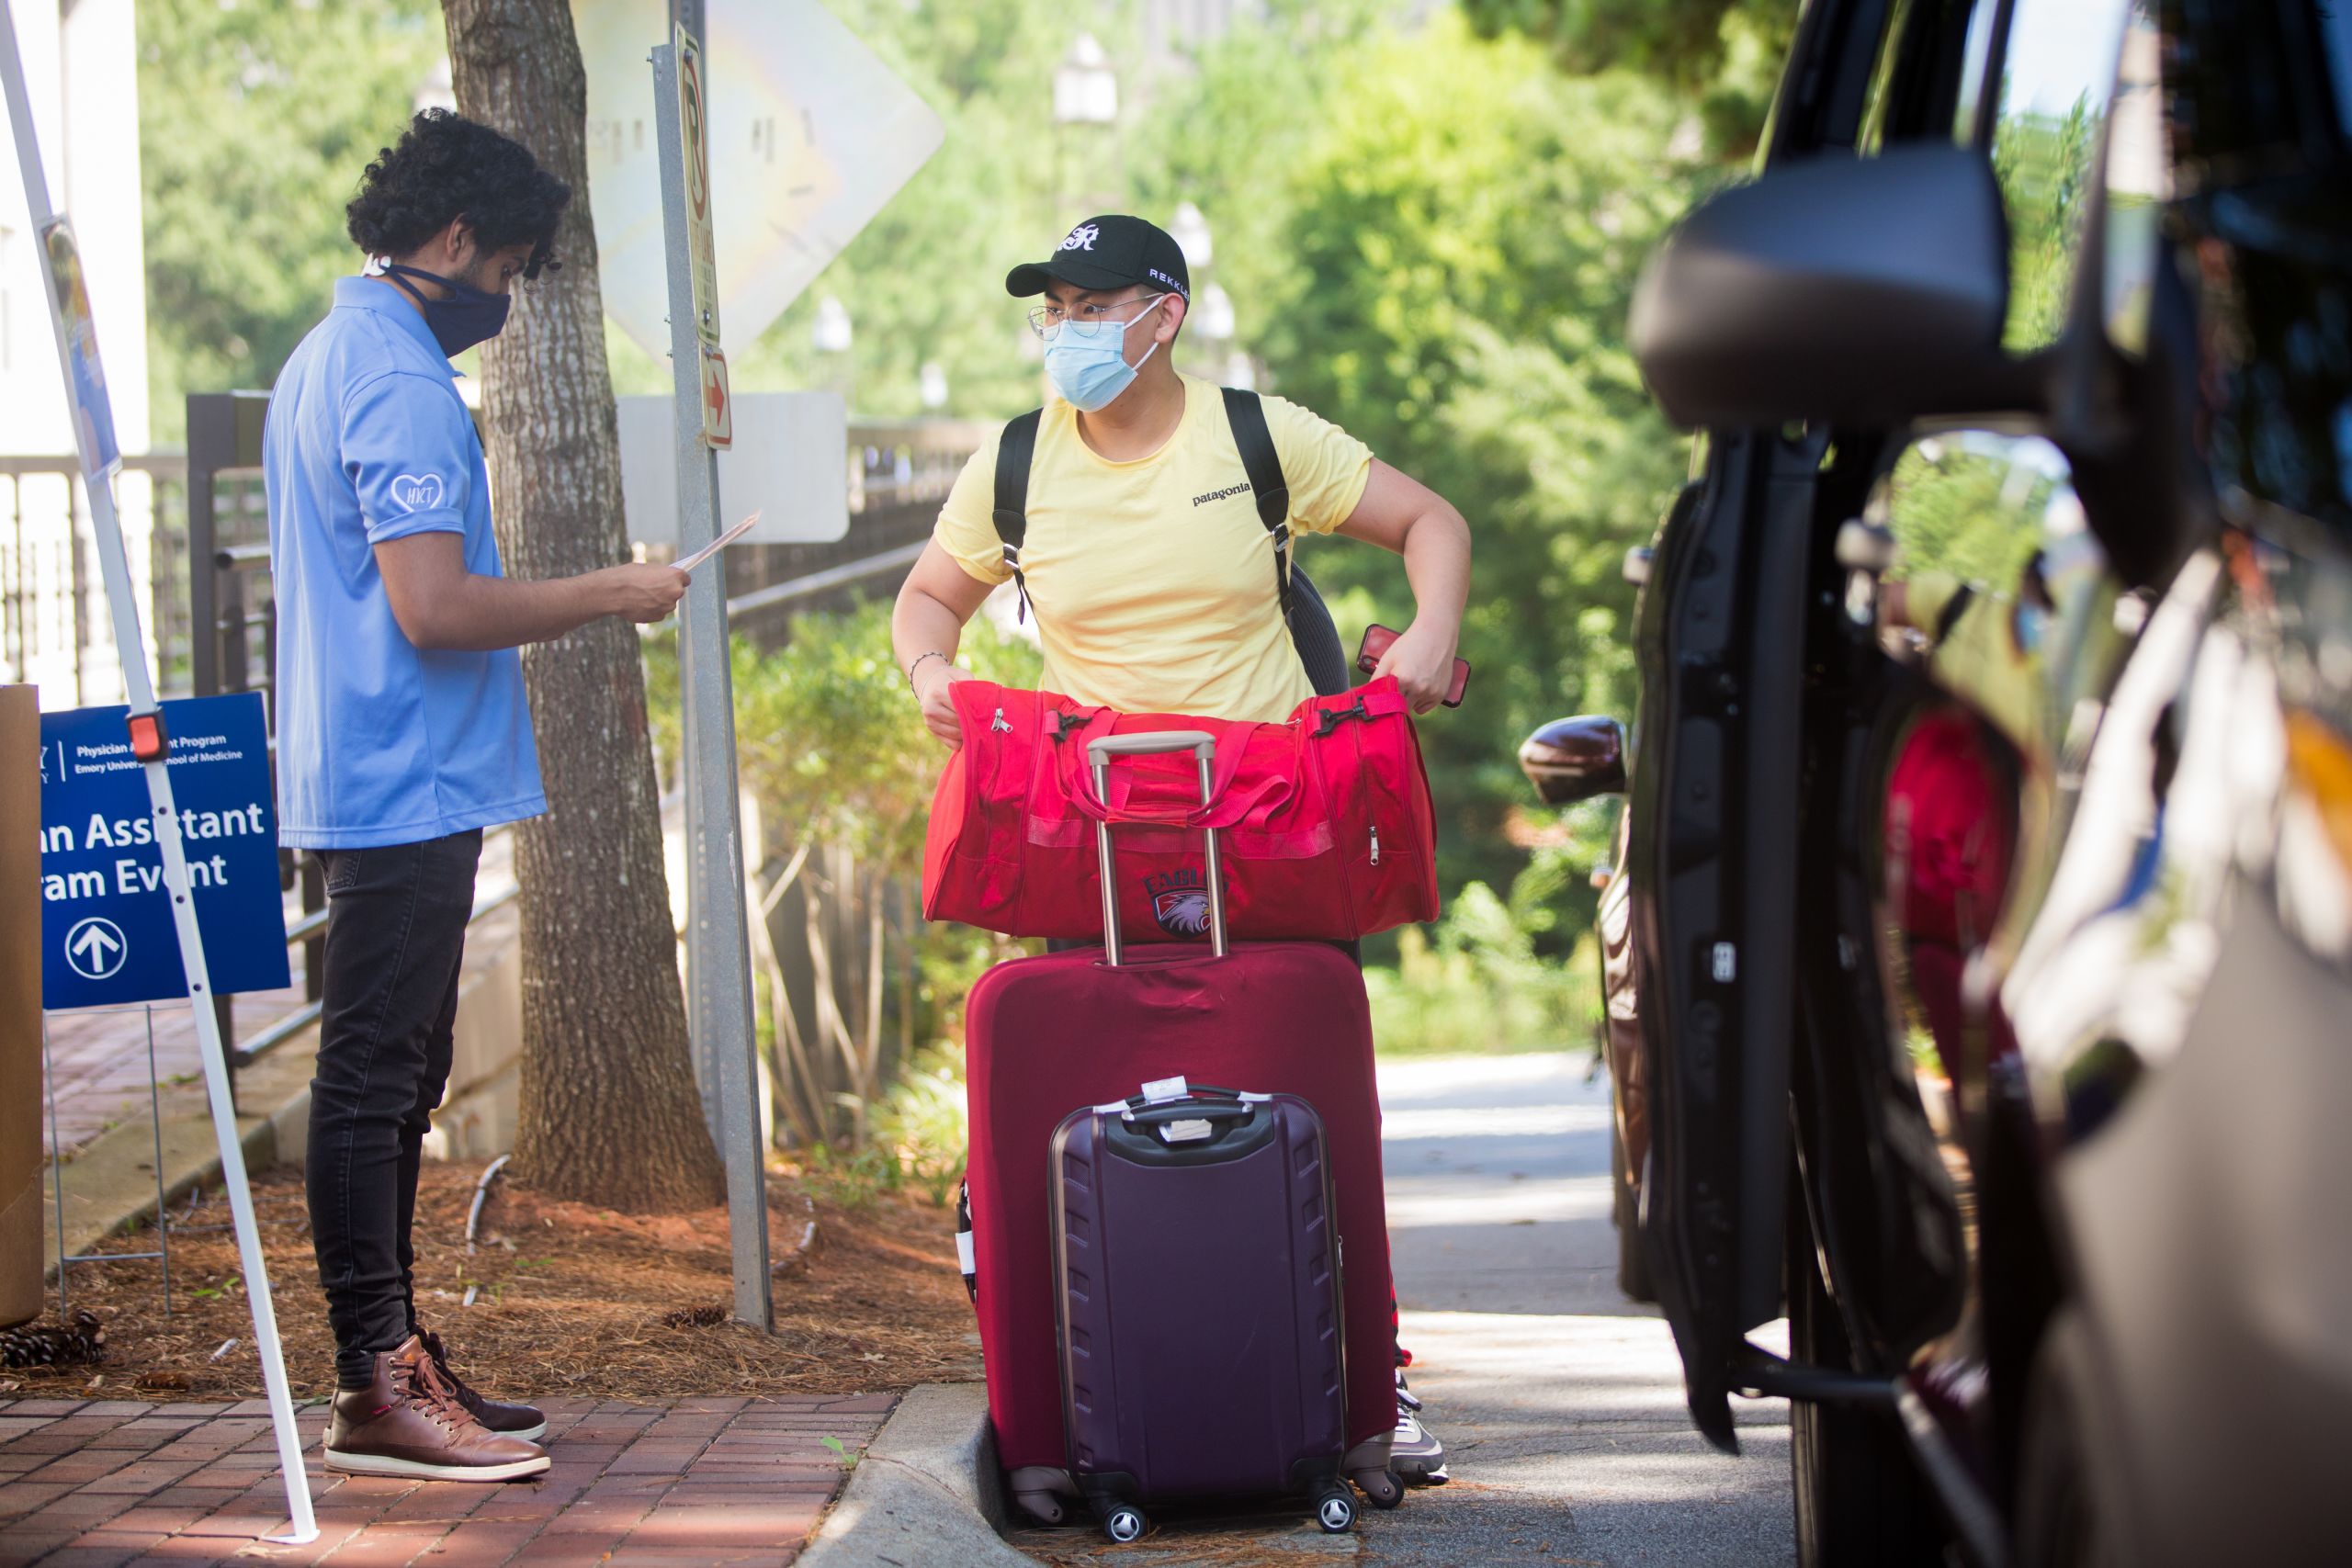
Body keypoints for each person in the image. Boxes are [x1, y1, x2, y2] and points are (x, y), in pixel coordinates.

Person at [890, 214, 1471, 1479]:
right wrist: (932, 668)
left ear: (1164, 314)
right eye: (1052, 307)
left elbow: (1434, 523)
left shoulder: (1257, 436)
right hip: (1096, 842)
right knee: (1104, 1102)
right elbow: (929, 595)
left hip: (1269, 822)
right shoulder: (1013, 466)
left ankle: (1373, 1383)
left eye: (1093, 305)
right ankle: (1116, 1393)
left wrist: (1429, 635)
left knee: (1310, 1098)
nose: (1067, 329)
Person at [263, 109, 688, 1483]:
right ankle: (375, 1383)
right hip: (400, 777)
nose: (502, 303)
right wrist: (609, 593)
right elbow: (433, 605)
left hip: (388, 770)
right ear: (451, 242)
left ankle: (394, 1363)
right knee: (375, 1081)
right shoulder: (392, 380)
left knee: (395, 1081)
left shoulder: (332, 352)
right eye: (504, 269)